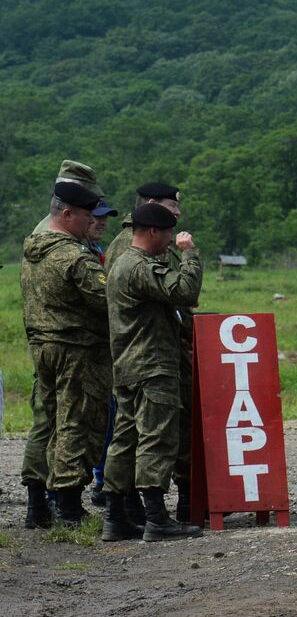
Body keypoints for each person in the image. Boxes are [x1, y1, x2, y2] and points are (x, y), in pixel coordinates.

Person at [100, 203, 204, 541]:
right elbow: (184, 292)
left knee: (125, 439)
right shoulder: (139, 267)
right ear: (154, 232)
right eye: (170, 233)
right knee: (157, 437)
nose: (173, 240)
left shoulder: (119, 265)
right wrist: (190, 256)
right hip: (152, 364)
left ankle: (115, 518)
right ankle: (157, 518)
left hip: (128, 365)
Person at [20, 182, 111, 529]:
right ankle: (69, 505)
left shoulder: (33, 249)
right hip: (75, 348)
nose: (90, 222)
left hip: (42, 346)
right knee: (76, 420)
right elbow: (108, 301)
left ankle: (36, 505)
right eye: (86, 215)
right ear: (67, 213)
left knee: (46, 421)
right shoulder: (74, 256)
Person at [85, 200, 119, 508]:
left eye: (104, 219)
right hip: (88, 349)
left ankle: (102, 482)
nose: (101, 223)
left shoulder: (99, 252)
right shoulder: (81, 254)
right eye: (96, 218)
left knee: (109, 417)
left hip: (106, 350)